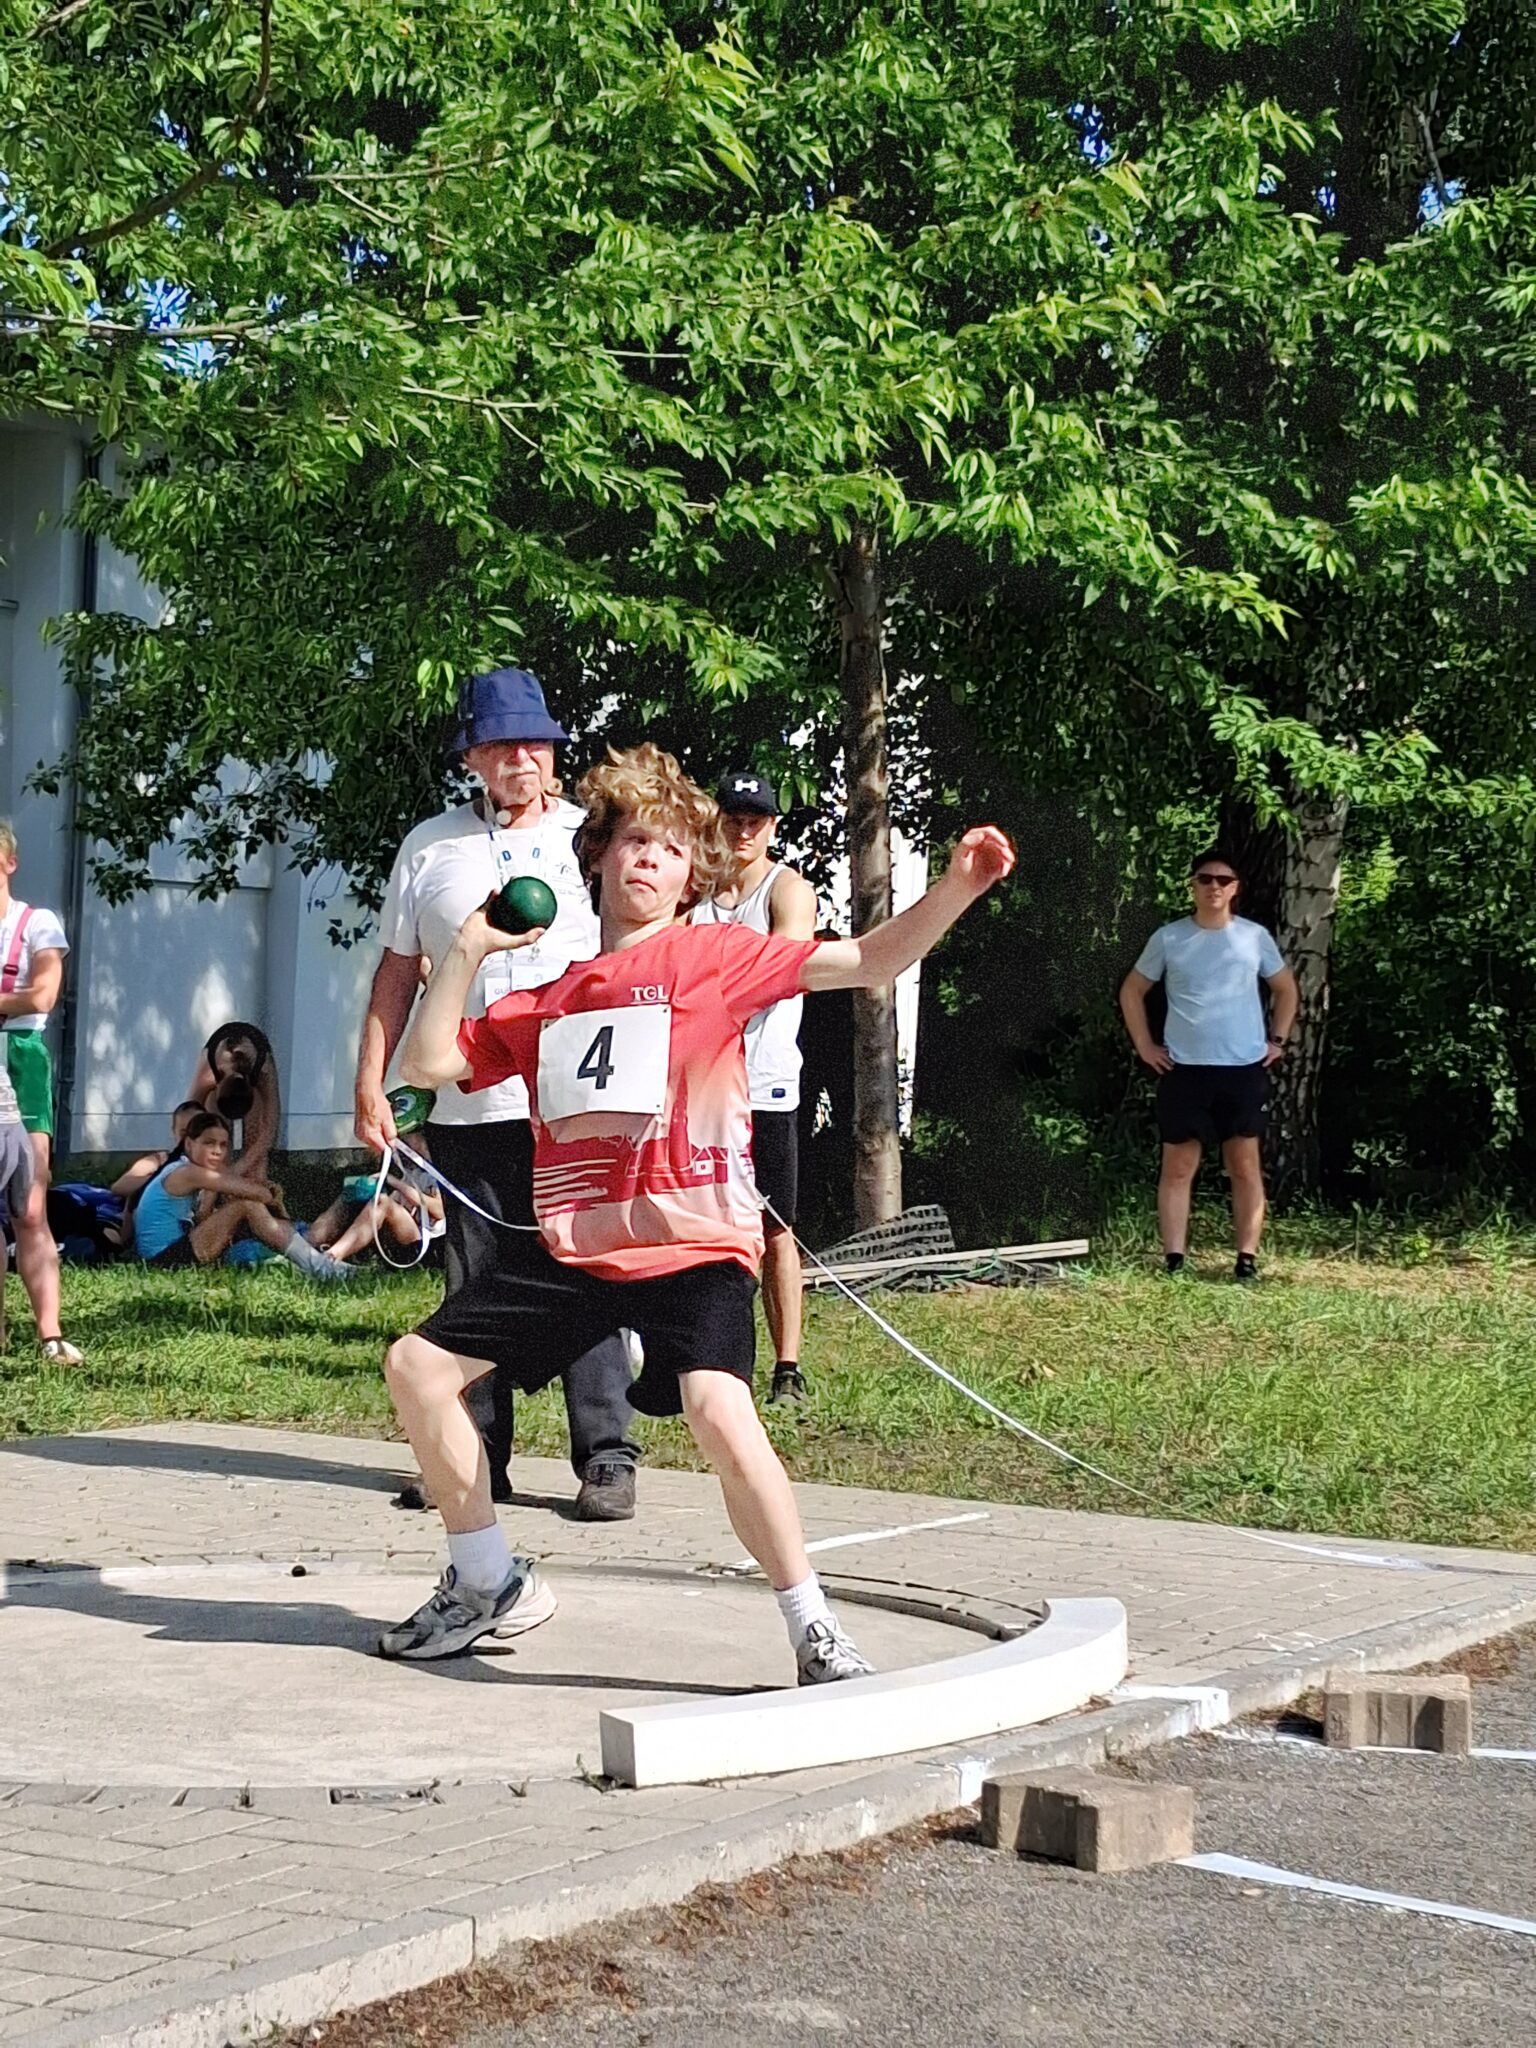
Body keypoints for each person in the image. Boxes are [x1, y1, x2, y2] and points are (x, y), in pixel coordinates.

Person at [376, 742, 1014, 1678]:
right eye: (634, 839)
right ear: (594, 856)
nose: (650, 858)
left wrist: (958, 885)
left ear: (691, 877)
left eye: (673, 849)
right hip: (583, 1248)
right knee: (418, 1367)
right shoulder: (554, 998)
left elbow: (874, 957)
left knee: (718, 1407)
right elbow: (428, 1064)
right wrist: (469, 947)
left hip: (695, 1238)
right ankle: (487, 1581)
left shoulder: (719, 956)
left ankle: (813, 1628)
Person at [354, 667, 640, 1521]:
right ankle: (477, 1454)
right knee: (473, 1274)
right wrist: (370, 1078)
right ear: (473, 756)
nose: (523, 757)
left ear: (555, 751)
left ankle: (607, 1456)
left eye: (537, 742)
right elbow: (398, 970)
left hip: (578, 1094)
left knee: (584, 1264)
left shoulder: (596, 839)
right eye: (504, 743)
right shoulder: (430, 846)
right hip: (469, 1096)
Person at [691, 770, 816, 1404]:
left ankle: (787, 1367)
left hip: (765, 1085)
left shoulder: (787, 888)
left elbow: (781, 965)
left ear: (771, 826)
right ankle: (713, 1358)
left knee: (775, 1227)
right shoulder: (697, 891)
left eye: (756, 819)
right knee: (706, 1223)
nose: (744, 830)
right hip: (704, 1087)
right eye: (734, 817)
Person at [1118, 848, 1300, 1281]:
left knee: (1244, 1166)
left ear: (1235, 889)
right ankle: (1175, 1260)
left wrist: (1277, 1039)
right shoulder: (1170, 938)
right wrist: (1145, 1045)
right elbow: (1132, 991)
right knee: (1178, 1168)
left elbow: (1286, 990)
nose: (1214, 886)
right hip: (1184, 1071)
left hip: (1242, 1071)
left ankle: (1246, 1259)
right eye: (1205, 879)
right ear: (1193, 886)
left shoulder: (1254, 937)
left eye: (1223, 880)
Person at [0, 820, 83, 1363]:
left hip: (20, 1057)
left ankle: (49, 1333)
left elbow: (44, 995)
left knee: (30, 1205)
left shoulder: (37, 922)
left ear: (8, 861)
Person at [133, 1110, 353, 1279]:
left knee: (244, 1210)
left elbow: (202, 1219)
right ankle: (318, 1266)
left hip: (173, 1252)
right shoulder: (186, 1173)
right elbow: (259, 1194)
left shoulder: (191, 1173)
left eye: (223, 1145)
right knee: (246, 1205)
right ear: (189, 1144)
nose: (217, 1151)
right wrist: (267, 1193)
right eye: (209, 1143)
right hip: (164, 1259)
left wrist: (216, 1191)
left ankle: (312, 1260)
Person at [186, 1025, 281, 1182]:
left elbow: (270, 1130)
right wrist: (188, 1159)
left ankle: (256, 1190)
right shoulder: (209, 1072)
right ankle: (209, 1198)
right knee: (216, 1135)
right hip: (218, 1060)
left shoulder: (263, 1070)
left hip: (254, 1062)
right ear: (216, 1086)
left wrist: (240, 1167)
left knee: (254, 1134)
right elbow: (187, 1115)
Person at [309, 1161, 446, 1265]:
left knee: (383, 1202)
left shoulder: (437, 1172)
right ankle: (307, 1246)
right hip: (402, 1235)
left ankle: (330, 1259)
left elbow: (440, 1210)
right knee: (350, 1195)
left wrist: (393, 1182)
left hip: (426, 1244)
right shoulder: (410, 1173)